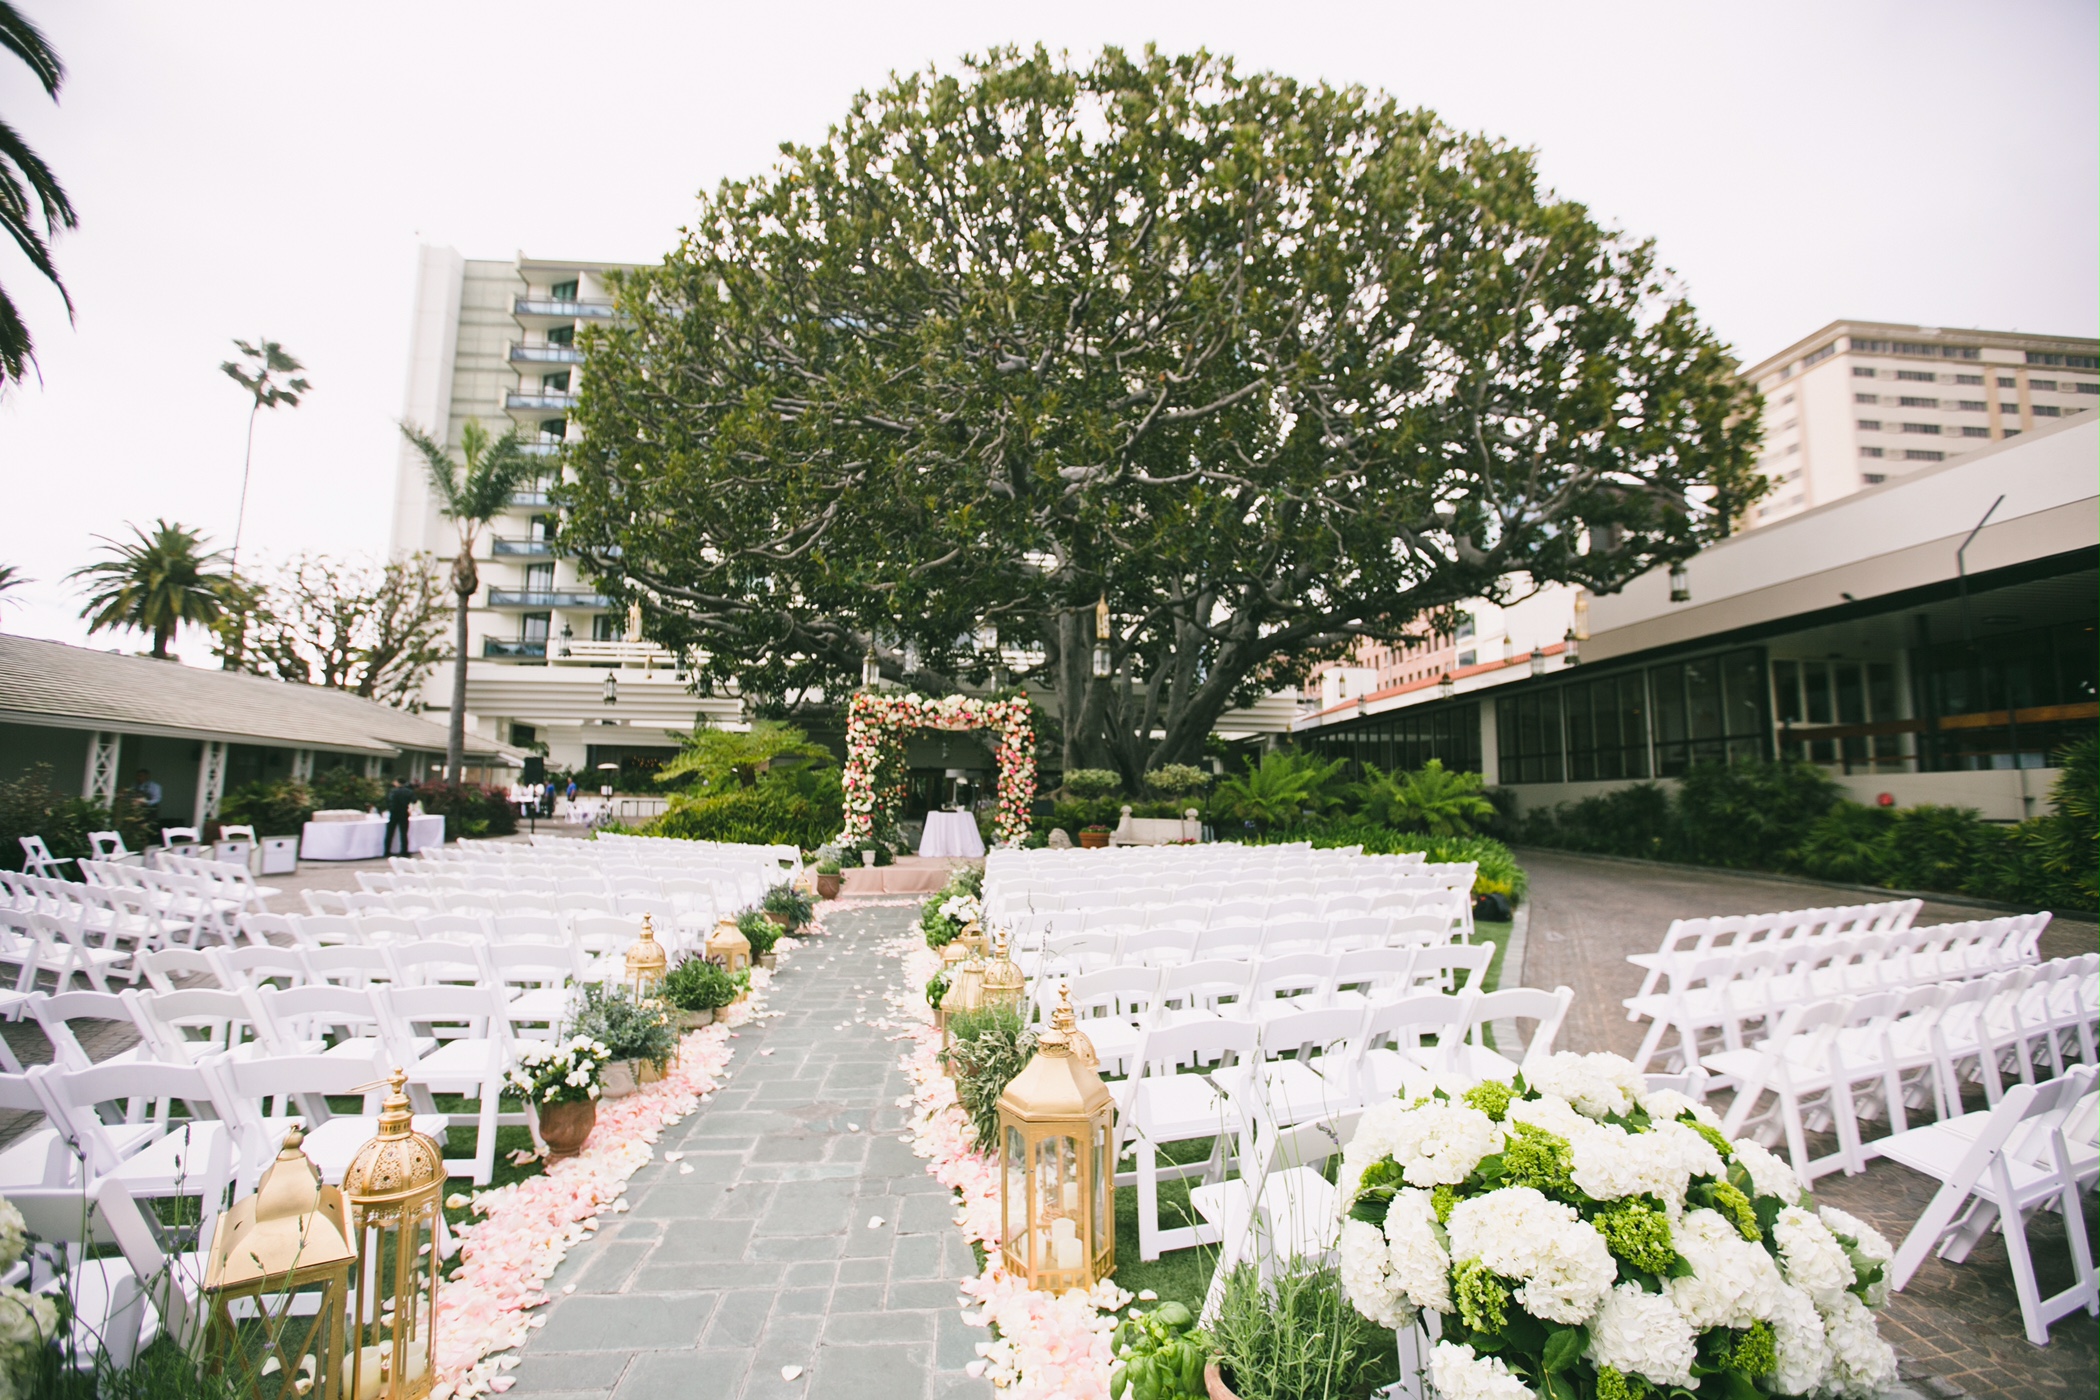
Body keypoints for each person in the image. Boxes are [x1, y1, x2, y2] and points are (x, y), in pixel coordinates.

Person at [383, 775, 415, 857]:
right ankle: (404, 850)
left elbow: (388, 800)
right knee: (403, 833)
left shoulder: (393, 792)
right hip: (404, 812)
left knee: (390, 832)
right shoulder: (409, 792)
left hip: (394, 812)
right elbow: (414, 800)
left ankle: (387, 850)